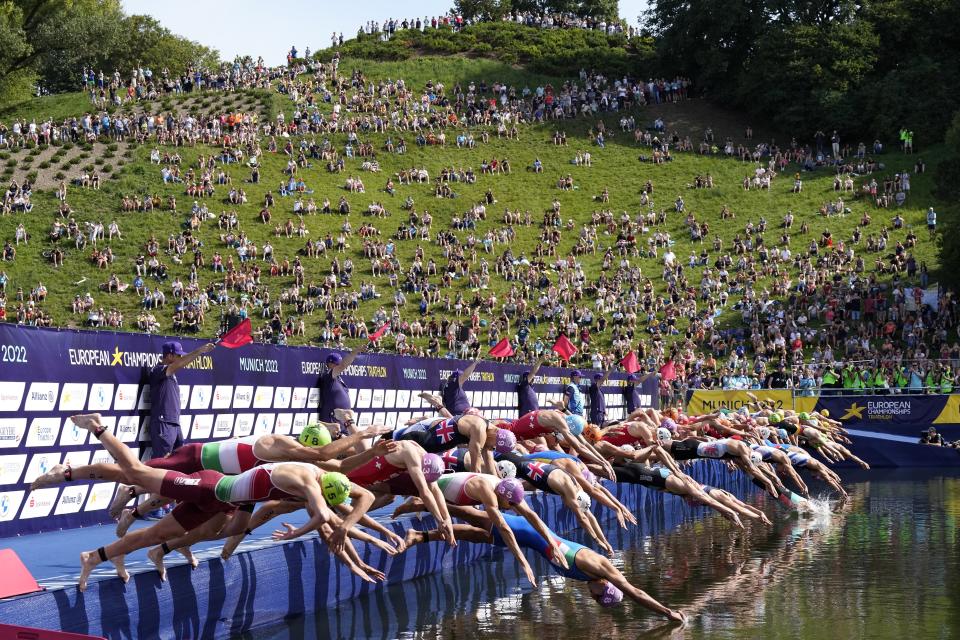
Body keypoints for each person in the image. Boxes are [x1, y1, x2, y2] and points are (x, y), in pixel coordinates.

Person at [68, 414, 362, 591]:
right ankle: (93, 442)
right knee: (135, 473)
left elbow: (335, 516)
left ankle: (100, 555)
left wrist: (358, 561)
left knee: (167, 532)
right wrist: (362, 434)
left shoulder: (312, 476)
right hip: (207, 477)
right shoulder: (300, 471)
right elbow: (325, 512)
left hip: (222, 496)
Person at [403, 505, 686, 623]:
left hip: (528, 540)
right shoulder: (596, 566)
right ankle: (430, 502)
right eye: (600, 600)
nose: (594, 600)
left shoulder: (586, 579)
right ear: (605, 588)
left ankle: (420, 535)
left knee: (478, 537)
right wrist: (666, 611)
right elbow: (635, 592)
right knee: (480, 520)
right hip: (529, 531)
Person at [318, 341, 369, 432]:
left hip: (343, 423)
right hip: (332, 422)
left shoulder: (338, 378)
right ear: (330, 364)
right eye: (337, 364)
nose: (340, 367)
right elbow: (344, 365)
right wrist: (356, 351)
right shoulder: (328, 375)